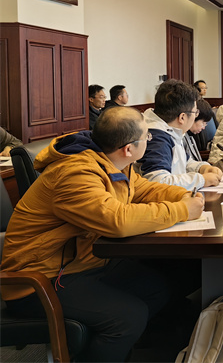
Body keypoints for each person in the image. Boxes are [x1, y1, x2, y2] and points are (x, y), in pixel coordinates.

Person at [0, 106, 204, 362]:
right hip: (40, 280)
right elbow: (117, 220)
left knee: (157, 288)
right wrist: (182, 210)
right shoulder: (75, 173)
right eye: (147, 137)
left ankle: (106, 349)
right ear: (128, 149)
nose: (150, 139)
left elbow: (144, 190)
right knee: (128, 317)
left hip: (84, 264)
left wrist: (187, 196)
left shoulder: (111, 161)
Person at [136, 80, 222, 191]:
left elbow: (183, 162)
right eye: (195, 112)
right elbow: (158, 182)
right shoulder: (156, 137)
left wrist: (201, 167)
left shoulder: (171, 129)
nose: (195, 116)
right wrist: (201, 180)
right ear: (182, 117)